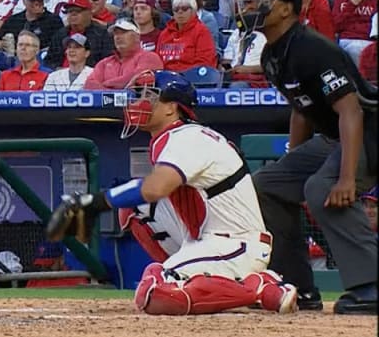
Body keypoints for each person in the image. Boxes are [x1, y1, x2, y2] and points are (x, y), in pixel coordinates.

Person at [49, 70, 298, 315]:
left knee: (155, 293)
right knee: (134, 206)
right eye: (138, 95)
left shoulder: (188, 137)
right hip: (207, 236)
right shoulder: (173, 137)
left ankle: (259, 288)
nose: (138, 102)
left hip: (236, 244)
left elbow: (157, 187)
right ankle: (188, 270)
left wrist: (96, 202)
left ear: (171, 108)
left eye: (149, 95)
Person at [237, 0, 377, 314]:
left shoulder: (312, 48)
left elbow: (351, 111)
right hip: (335, 137)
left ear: (287, 8)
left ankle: (371, 287)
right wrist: (293, 165)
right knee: (265, 186)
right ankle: (296, 286)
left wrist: (346, 179)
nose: (252, 5)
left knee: (322, 187)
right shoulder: (273, 53)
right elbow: (302, 111)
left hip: (369, 131)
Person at [85, 19, 165, 90]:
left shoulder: (149, 57)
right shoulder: (105, 63)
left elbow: (136, 78)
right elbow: (89, 84)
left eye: (123, 32)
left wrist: (106, 84)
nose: (118, 37)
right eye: (116, 34)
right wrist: (112, 94)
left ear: (137, 36)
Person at [157, 0, 218, 73]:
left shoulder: (201, 31)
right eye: (176, 9)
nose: (180, 12)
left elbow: (204, 62)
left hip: (192, 78)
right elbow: (158, 60)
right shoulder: (165, 34)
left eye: (184, 8)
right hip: (166, 78)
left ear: (193, 11)